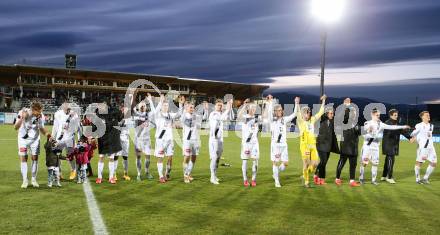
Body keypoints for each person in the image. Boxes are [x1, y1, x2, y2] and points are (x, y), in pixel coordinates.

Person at [359, 108, 410, 185]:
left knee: (375, 163)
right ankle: (361, 178)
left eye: (379, 115)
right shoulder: (367, 123)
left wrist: (403, 126)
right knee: (364, 163)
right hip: (367, 146)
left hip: (376, 147)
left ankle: (373, 180)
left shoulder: (381, 124)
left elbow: (392, 127)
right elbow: (363, 134)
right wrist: (369, 132)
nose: (378, 117)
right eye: (377, 115)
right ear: (372, 115)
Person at [14, 102, 50, 188]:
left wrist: (48, 134)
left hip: (35, 140)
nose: (40, 113)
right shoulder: (22, 112)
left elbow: (41, 128)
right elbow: (15, 127)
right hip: (23, 139)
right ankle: (25, 180)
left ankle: (33, 179)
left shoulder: (41, 116)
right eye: (39, 111)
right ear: (34, 110)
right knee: (24, 158)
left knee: (35, 158)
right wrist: (22, 118)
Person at [265, 95, 298, 188]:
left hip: (284, 145)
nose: (280, 111)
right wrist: (271, 102)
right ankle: (277, 181)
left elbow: (294, 114)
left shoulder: (284, 119)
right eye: (278, 110)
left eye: (281, 110)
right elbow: (269, 112)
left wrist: (296, 103)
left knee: (285, 163)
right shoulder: (272, 120)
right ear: (275, 112)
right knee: (275, 162)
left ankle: (275, 174)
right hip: (275, 145)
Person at [295, 95, 327, 188]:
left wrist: (324, 101)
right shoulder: (300, 121)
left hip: (312, 145)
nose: (308, 114)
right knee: (306, 163)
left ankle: (304, 175)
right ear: (303, 114)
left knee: (315, 164)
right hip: (304, 146)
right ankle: (306, 182)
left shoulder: (312, 119)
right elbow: (297, 113)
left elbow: (321, 112)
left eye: (309, 113)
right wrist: (297, 103)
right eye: (306, 113)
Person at [153, 94, 184, 183]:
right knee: (160, 158)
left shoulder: (170, 115)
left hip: (169, 140)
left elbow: (178, 114)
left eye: (167, 105)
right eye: (164, 105)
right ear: (161, 106)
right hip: (160, 140)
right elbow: (155, 111)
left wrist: (180, 105)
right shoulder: (157, 115)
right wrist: (160, 101)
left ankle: (166, 174)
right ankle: (161, 176)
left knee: (170, 158)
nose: (166, 107)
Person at [180, 99, 208, 183]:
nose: (192, 109)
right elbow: (182, 117)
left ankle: (188, 173)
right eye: (190, 107)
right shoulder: (184, 116)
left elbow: (205, 117)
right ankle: (185, 175)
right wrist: (182, 106)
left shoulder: (196, 116)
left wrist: (206, 109)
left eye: (193, 107)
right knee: (187, 157)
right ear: (187, 108)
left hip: (195, 139)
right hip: (187, 140)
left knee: (194, 157)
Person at [380, 109, 412, 184]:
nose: (396, 116)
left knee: (387, 160)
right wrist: (408, 136)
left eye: (397, 115)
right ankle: (389, 177)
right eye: (395, 115)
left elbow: (401, 131)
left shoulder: (396, 123)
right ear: (390, 115)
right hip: (389, 144)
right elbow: (398, 130)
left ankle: (384, 176)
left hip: (392, 144)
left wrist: (409, 138)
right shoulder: (388, 123)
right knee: (391, 160)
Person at [95, 101, 123, 184]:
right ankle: (99, 177)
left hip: (112, 139)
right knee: (101, 158)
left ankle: (111, 177)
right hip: (102, 140)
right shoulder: (98, 115)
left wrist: (123, 110)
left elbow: (120, 117)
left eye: (103, 105)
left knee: (111, 158)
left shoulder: (114, 112)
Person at [335, 98, 361, 187]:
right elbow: (342, 115)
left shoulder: (356, 123)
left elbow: (359, 133)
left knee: (353, 165)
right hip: (345, 146)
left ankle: (352, 181)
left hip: (354, 147)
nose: (354, 114)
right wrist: (345, 106)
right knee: (341, 162)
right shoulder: (345, 121)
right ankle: (337, 178)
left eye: (355, 113)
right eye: (352, 112)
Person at [51, 102, 81, 180]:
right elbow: (55, 126)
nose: (65, 106)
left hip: (69, 139)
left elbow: (78, 128)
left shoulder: (74, 115)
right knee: (57, 156)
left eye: (67, 105)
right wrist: (52, 137)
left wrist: (79, 139)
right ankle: (59, 173)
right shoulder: (58, 114)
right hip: (59, 139)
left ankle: (73, 170)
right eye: (64, 105)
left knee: (70, 156)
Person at [208, 98, 233, 185]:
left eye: (221, 105)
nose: (220, 106)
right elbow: (221, 118)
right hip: (214, 139)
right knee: (214, 158)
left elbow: (227, 118)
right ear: (215, 106)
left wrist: (229, 108)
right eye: (218, 105)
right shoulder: (213, 114)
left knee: (218, 159)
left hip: (220, 139)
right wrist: (228, 109)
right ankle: (212, 177)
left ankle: (214, 175)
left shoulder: (221, 114)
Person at [237, 99, 260, 187]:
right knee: (245, 162)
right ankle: (245, 179)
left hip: (255, 144)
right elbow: (238, 116)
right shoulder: (245, 117)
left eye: (254, 108)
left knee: (255, 162)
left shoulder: (257, 118)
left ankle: (253, 179)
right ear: (248, 108)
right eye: (252, 108)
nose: (253, 109)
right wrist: (244, 106)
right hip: (246, 144)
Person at [132, 94, 156, 181]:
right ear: (138, 107)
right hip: (138, 140)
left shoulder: (148, 115)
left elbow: (154, 111)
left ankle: (147, 171)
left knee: (148, 157)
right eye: (141, 105)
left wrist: (150, 100)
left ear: (146, 107)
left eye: (144, 105)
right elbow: (133, 106)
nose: (143, 106)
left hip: (147, 140)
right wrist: (133, 95)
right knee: (138, 157)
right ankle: (138, 174)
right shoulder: (135, 113)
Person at [314, 106, 339, 185]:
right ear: (326, 114)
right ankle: (321, 179)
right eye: (331, 113)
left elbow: (340, 117)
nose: (332, 115)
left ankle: (316, 174)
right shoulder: (323, 120)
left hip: (328, 146)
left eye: (333, 113)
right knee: (323, 162)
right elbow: (321, 113)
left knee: (323, 162)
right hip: (321, 145)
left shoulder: (332, 122)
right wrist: (323, 101)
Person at [410, 111, 437, 184]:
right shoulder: (419, 125)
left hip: (431, 147)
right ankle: (417, 179)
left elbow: (429, 136)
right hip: (423, 147)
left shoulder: (432, 126)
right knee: (419, 162)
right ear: (423, 117)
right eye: (427, 115)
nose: (429, 116)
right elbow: (414, 133)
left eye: (429, 115)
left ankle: (425, 178)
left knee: (434, 162)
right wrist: (413, 138)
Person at [114, 106, 131, 181]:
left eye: (127, 110)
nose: (125, 111)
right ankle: (114, 174)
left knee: (125, 157)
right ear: (121, 110)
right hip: (118, 139)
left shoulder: (129, 119)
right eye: (124, 109)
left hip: (126, 140)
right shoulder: (117, 117)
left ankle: (126, 174)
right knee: (116, 156)